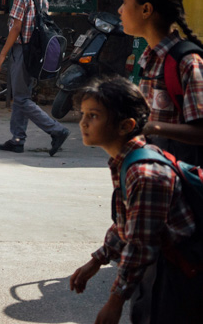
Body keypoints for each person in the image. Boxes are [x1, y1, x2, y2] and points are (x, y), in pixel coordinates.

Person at [69, 77, 200, 323]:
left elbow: (141, 244)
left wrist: (115, 302)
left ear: (125, 125)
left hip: (177, 271)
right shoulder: (127, 160)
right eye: (83, 114)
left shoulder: (144, 172)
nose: (83, 123)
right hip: (163, 266)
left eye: (94, 116)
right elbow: (128, 221)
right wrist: (97, 260)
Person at [120, 0, 203, 166]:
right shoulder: (149, 57)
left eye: (124, 1)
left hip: (185, 183)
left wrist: (151, 128)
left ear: (146, 10)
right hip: (158, 176)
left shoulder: (187, 61)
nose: (120, 10)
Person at [0, 0, 71, 155]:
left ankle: (57, 130)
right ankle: (17, 138)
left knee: (21, 98)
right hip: (36, 53)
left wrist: (2, 54)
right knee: (22, 95)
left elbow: (16, 27)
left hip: (22, 51)